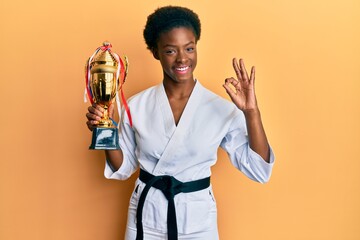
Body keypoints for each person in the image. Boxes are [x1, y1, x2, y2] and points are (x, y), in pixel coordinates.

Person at [86, 5, 274, 240]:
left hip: (198, 221)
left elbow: (259, 170)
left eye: (189, 48)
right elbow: (123, 169)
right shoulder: (135, 105)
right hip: (145, 216)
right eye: (170, 51)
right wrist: (105, 130)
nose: (183, 58)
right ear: (155, 52)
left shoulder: (222, 109)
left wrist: (251, 112)